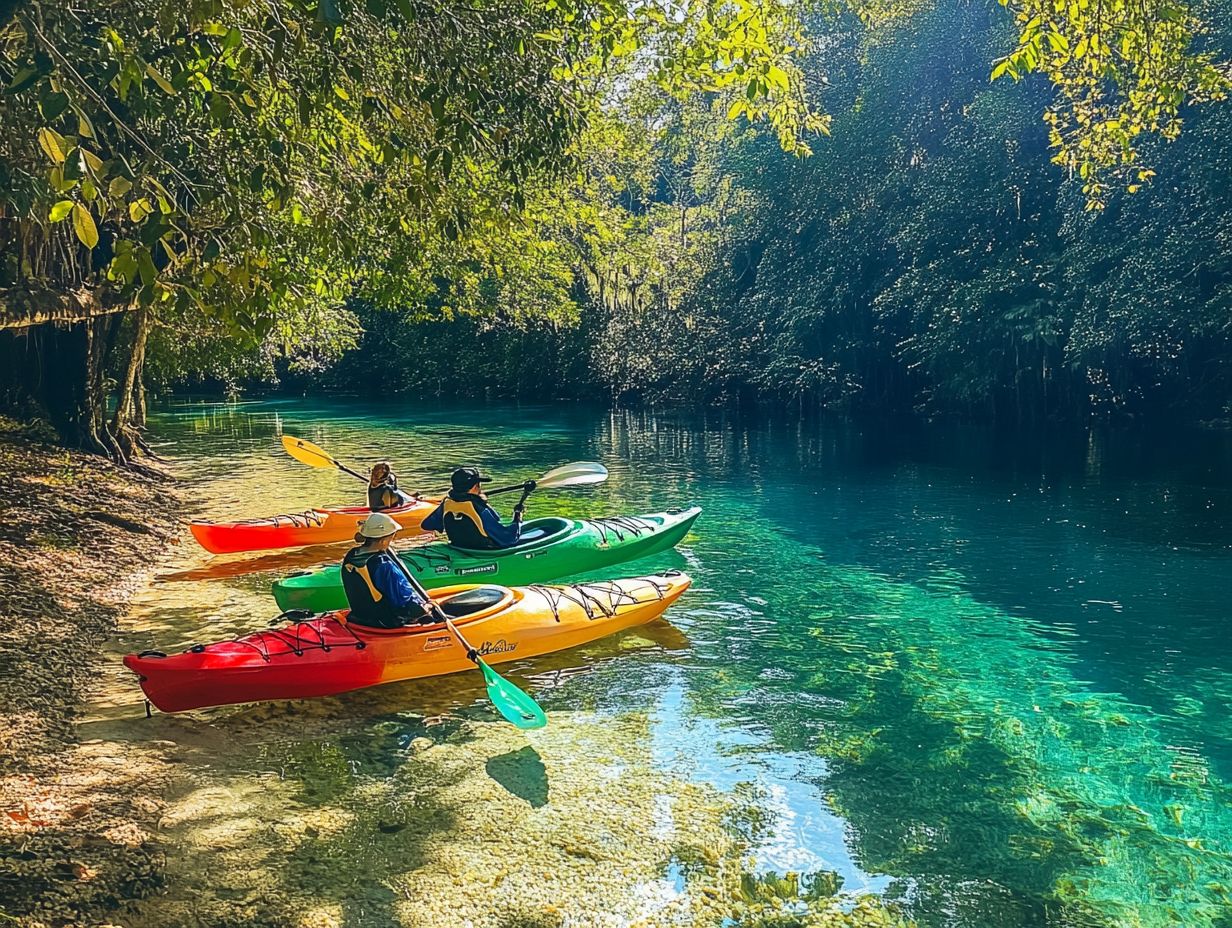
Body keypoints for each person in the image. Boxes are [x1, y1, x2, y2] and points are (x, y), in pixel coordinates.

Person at [341, 512, 435, 629]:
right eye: (392, 537)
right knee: (432, 614)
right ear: (383, 541)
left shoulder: (352, 554)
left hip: (361, 615)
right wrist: (426, 608)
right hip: (385, 621)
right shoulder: (384, 565)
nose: (393, 539)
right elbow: (405, 602)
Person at [421, 466, 530, 549]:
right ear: (475, 486)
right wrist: (517, 517)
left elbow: (427, 525)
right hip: (482, 550)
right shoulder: (478, 507)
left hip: (459, 546)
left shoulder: (447, 503)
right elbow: (507, 538)